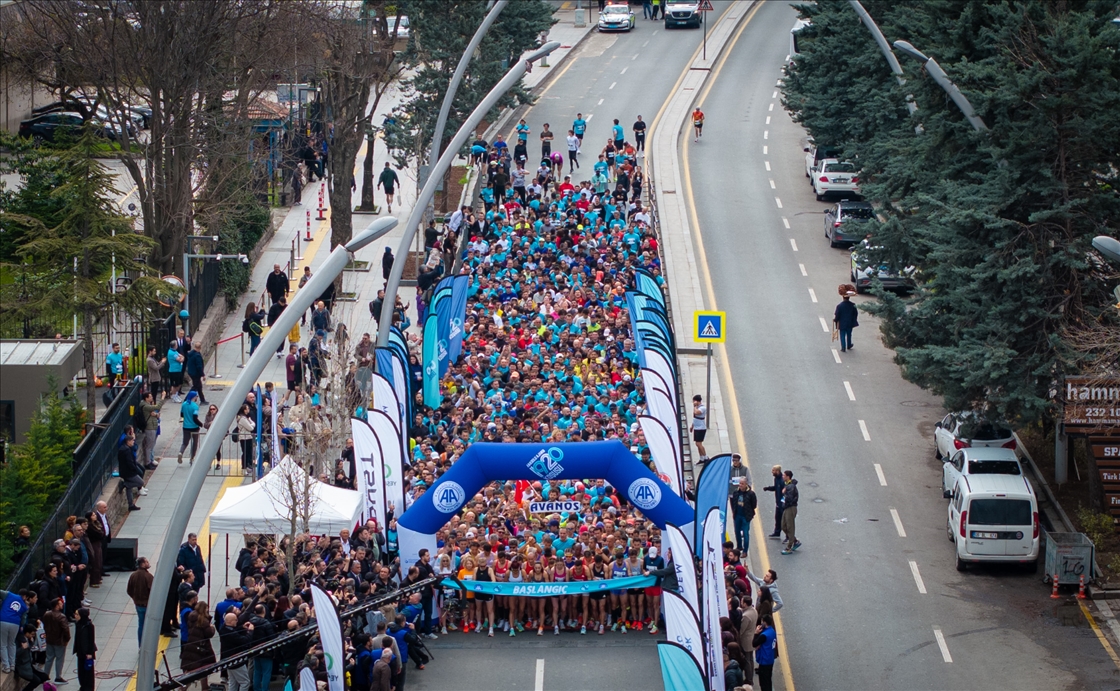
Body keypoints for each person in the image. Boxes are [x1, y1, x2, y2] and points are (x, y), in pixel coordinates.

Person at [181, 605, 217, 691]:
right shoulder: (203, 621)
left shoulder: (192, 618)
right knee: (198, 669)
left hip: (192, 645)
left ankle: (203, 687)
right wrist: (212, 628)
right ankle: (184, 688)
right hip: (201, 647)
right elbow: (209, 633)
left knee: (196, 667)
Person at [127, 557, 154, 646]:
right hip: (148, 605)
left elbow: (129, 590)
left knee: (141, 625)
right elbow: (153, 591)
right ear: (142, 564)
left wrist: (135, 598)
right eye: (146, 562)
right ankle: (149, 644)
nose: (148, 563)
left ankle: (141, 645)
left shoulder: (133, 575)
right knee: (150, 625)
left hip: (138, 605)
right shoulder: (148, 576)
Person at [14, 625, 48, 691]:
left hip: (30, 664)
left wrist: (31, 642)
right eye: (32, 634)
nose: (33, 636)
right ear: (27, 633)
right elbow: (15, 654)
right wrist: (22, 648)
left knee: (44, 677)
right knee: (36, 680)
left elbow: (29, 649)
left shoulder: (28, 640)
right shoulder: (19, 641)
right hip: (22, 666)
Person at [730, 478, 757, 554]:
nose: (740, 485)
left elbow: (754, 505)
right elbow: (734, 502)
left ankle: (745, 551)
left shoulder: (751, 494)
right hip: (737, 515)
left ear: (746, 484)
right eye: (740, 483)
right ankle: (739, 546)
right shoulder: (736, 492)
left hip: (746, 516)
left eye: (742, 484)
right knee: (737, 531)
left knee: (745, 533)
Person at [73, 608, 96, 691]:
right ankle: (83, 686)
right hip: (80, 652)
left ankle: (89, 688)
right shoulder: (78, 624)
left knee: (88, 672)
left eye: (77, 614)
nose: (75, 616)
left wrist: (90, 652)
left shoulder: (89, 625)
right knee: (81, 671)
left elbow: (91, 640)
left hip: (87, 653)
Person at [753, 614, 777, 691]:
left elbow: (754, 643)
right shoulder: (772, 631)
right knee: (768, 680)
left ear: (765, 623)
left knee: (763, 683)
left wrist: (756, 633)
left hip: (764, 660)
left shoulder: (764, 635)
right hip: (770, 659)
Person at [178, 390, 202, 465]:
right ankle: (192, 458)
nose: (197, 397)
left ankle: (180, 452)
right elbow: (195, 418)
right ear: (194, 397)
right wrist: (201, 424)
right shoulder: (195, 406)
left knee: (185, 442)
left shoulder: (184, 404)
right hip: (194, 427)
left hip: (185, 427)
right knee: (194, 443)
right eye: (197, 396)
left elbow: (181, 415)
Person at [780, 470, 801, 554]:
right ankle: (794, 540)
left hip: (790, 508)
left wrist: (784, 493)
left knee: (790, 527)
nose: (782, 477)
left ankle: (789, 547)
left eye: (784, 475)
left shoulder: (790, 487)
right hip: (786, 507)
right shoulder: (788, 485)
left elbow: (789, 498)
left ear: (788, 476)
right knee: (783, 526)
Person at [762, 465, 785, 539]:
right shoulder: (776, 479)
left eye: (773, 470)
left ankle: (788, 536)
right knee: (777, 518)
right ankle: (777, 532)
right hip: (778, 503)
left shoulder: (782, 480)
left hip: (782, 503)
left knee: (784, 521)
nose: (772, 472)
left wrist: (783, 502)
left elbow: (785, 492)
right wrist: (768, 488)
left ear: (777, 471)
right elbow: (776, 488)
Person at [690, 394, 708, 461]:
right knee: (697, 444)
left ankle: (705, 457)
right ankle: (701, 458)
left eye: (694, 401)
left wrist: (695, 406)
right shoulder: (697, 407)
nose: (693, 403)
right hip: (697, 427)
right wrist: (692, 426)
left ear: (697, 401)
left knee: (699, 443)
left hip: (701, 428)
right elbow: (695, 417)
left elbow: (697, 413)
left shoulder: (702, 408)